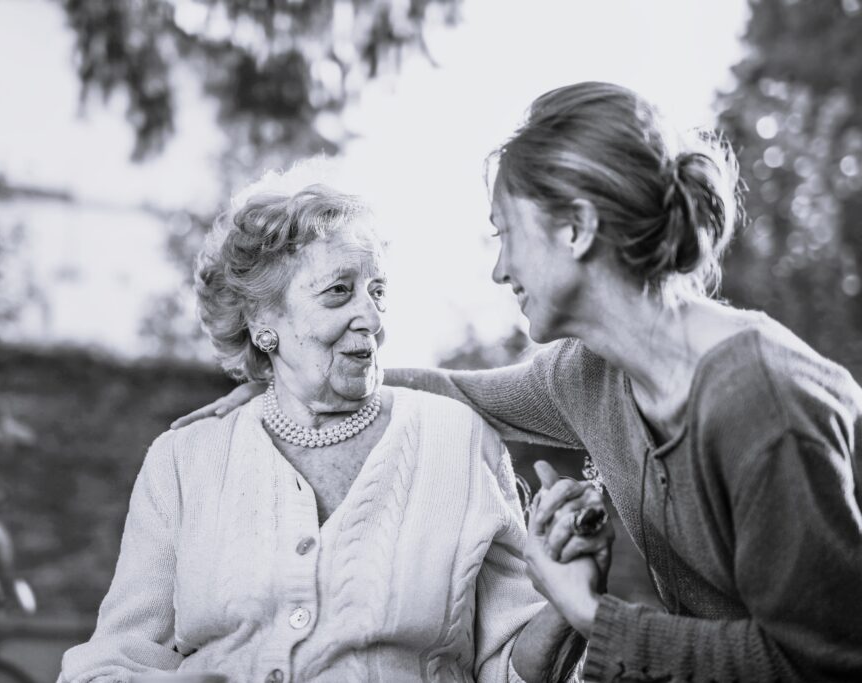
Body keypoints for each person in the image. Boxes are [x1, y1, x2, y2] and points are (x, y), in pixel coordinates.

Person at [174, 83, 862, 681]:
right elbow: (455, 391)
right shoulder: (593, 375)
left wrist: (591, 614)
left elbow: (823, 660)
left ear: (577, 228)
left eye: (506, 234)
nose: (501, 270)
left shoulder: (757, 401)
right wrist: (288, 387)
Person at [59, 178, 614, 683]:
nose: (371, 318)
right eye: (338, 292)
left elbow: (511, 670)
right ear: (262, 322)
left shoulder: (459, 442)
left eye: (377, 291)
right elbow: (111, 665)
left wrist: (568, 602)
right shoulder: (185, 461)